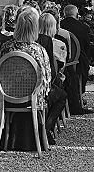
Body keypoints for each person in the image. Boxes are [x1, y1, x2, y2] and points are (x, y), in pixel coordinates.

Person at [0, 7, 52, 150]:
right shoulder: (39, 50)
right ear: (35, 28)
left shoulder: (6, 47)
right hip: (31, 97)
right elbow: (47, 79)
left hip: (8, 95)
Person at [37, 12, 67, 142]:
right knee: (61, 94)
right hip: (46, 83)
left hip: (18, 87)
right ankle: (46, 128)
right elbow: (59, 69)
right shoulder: (59, 44)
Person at [59, 5, 90, 93]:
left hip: (60, 60)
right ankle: (80, 92)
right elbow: (87, 47)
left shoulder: (59, 26)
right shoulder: (84, 28)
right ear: (77, 15)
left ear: (64, 15)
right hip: (78, 61)